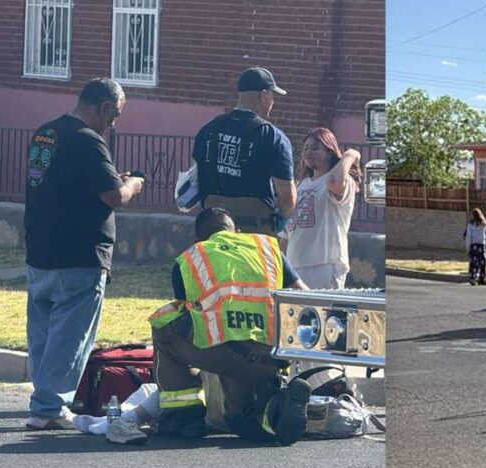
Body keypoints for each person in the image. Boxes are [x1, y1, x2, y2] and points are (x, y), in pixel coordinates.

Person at [23, 78, 145, 430]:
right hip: (80, 253)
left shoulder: (46, 133)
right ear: (104, 107)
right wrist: (133, 184)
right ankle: (49, 408)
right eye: (115, 115)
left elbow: (64, 182)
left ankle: (42, 399)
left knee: (43, 335)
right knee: (70, 337)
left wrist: (111, 180)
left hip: (41, 249)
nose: (113, 123)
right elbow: (114, 196)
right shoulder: (89, 140)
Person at [149, 208, 313, 445]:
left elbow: (186, 313)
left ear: (198, 239)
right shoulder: (268, 249)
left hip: (227, 355)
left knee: (163, 325)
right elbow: (306, 297)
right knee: (241, 419)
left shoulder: (193, 257)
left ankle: (183, 417)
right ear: (237, 231)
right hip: (271, 357)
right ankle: (277, 405)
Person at [193, 67, 296, 237]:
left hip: (212, 231)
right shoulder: (272, 137)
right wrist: (280, 219)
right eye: (272, 96)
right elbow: (287, 196)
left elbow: (195, 180)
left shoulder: (208, 130)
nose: (272, 102)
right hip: (254, 232)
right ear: (264, 95)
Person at [280, 127, 361, 289]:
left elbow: (334, 182)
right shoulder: (300, 185)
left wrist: (350, 155)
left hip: (325, 265)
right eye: (306, 148)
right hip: (294, 267)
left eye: (315, 148)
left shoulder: (342, 182)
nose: (309, 152)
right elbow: (286, 234)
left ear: (330, 152)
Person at [464, 208, 486, 285]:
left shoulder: (471, 224)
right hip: (481, 246)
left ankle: (473, 278)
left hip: (474, 246)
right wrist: (484, 244)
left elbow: (469, 237)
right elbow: (483, 236)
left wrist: (467, 247)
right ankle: (482, 278)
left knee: (474, 263)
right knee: (483, 263)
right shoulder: (483, 224)